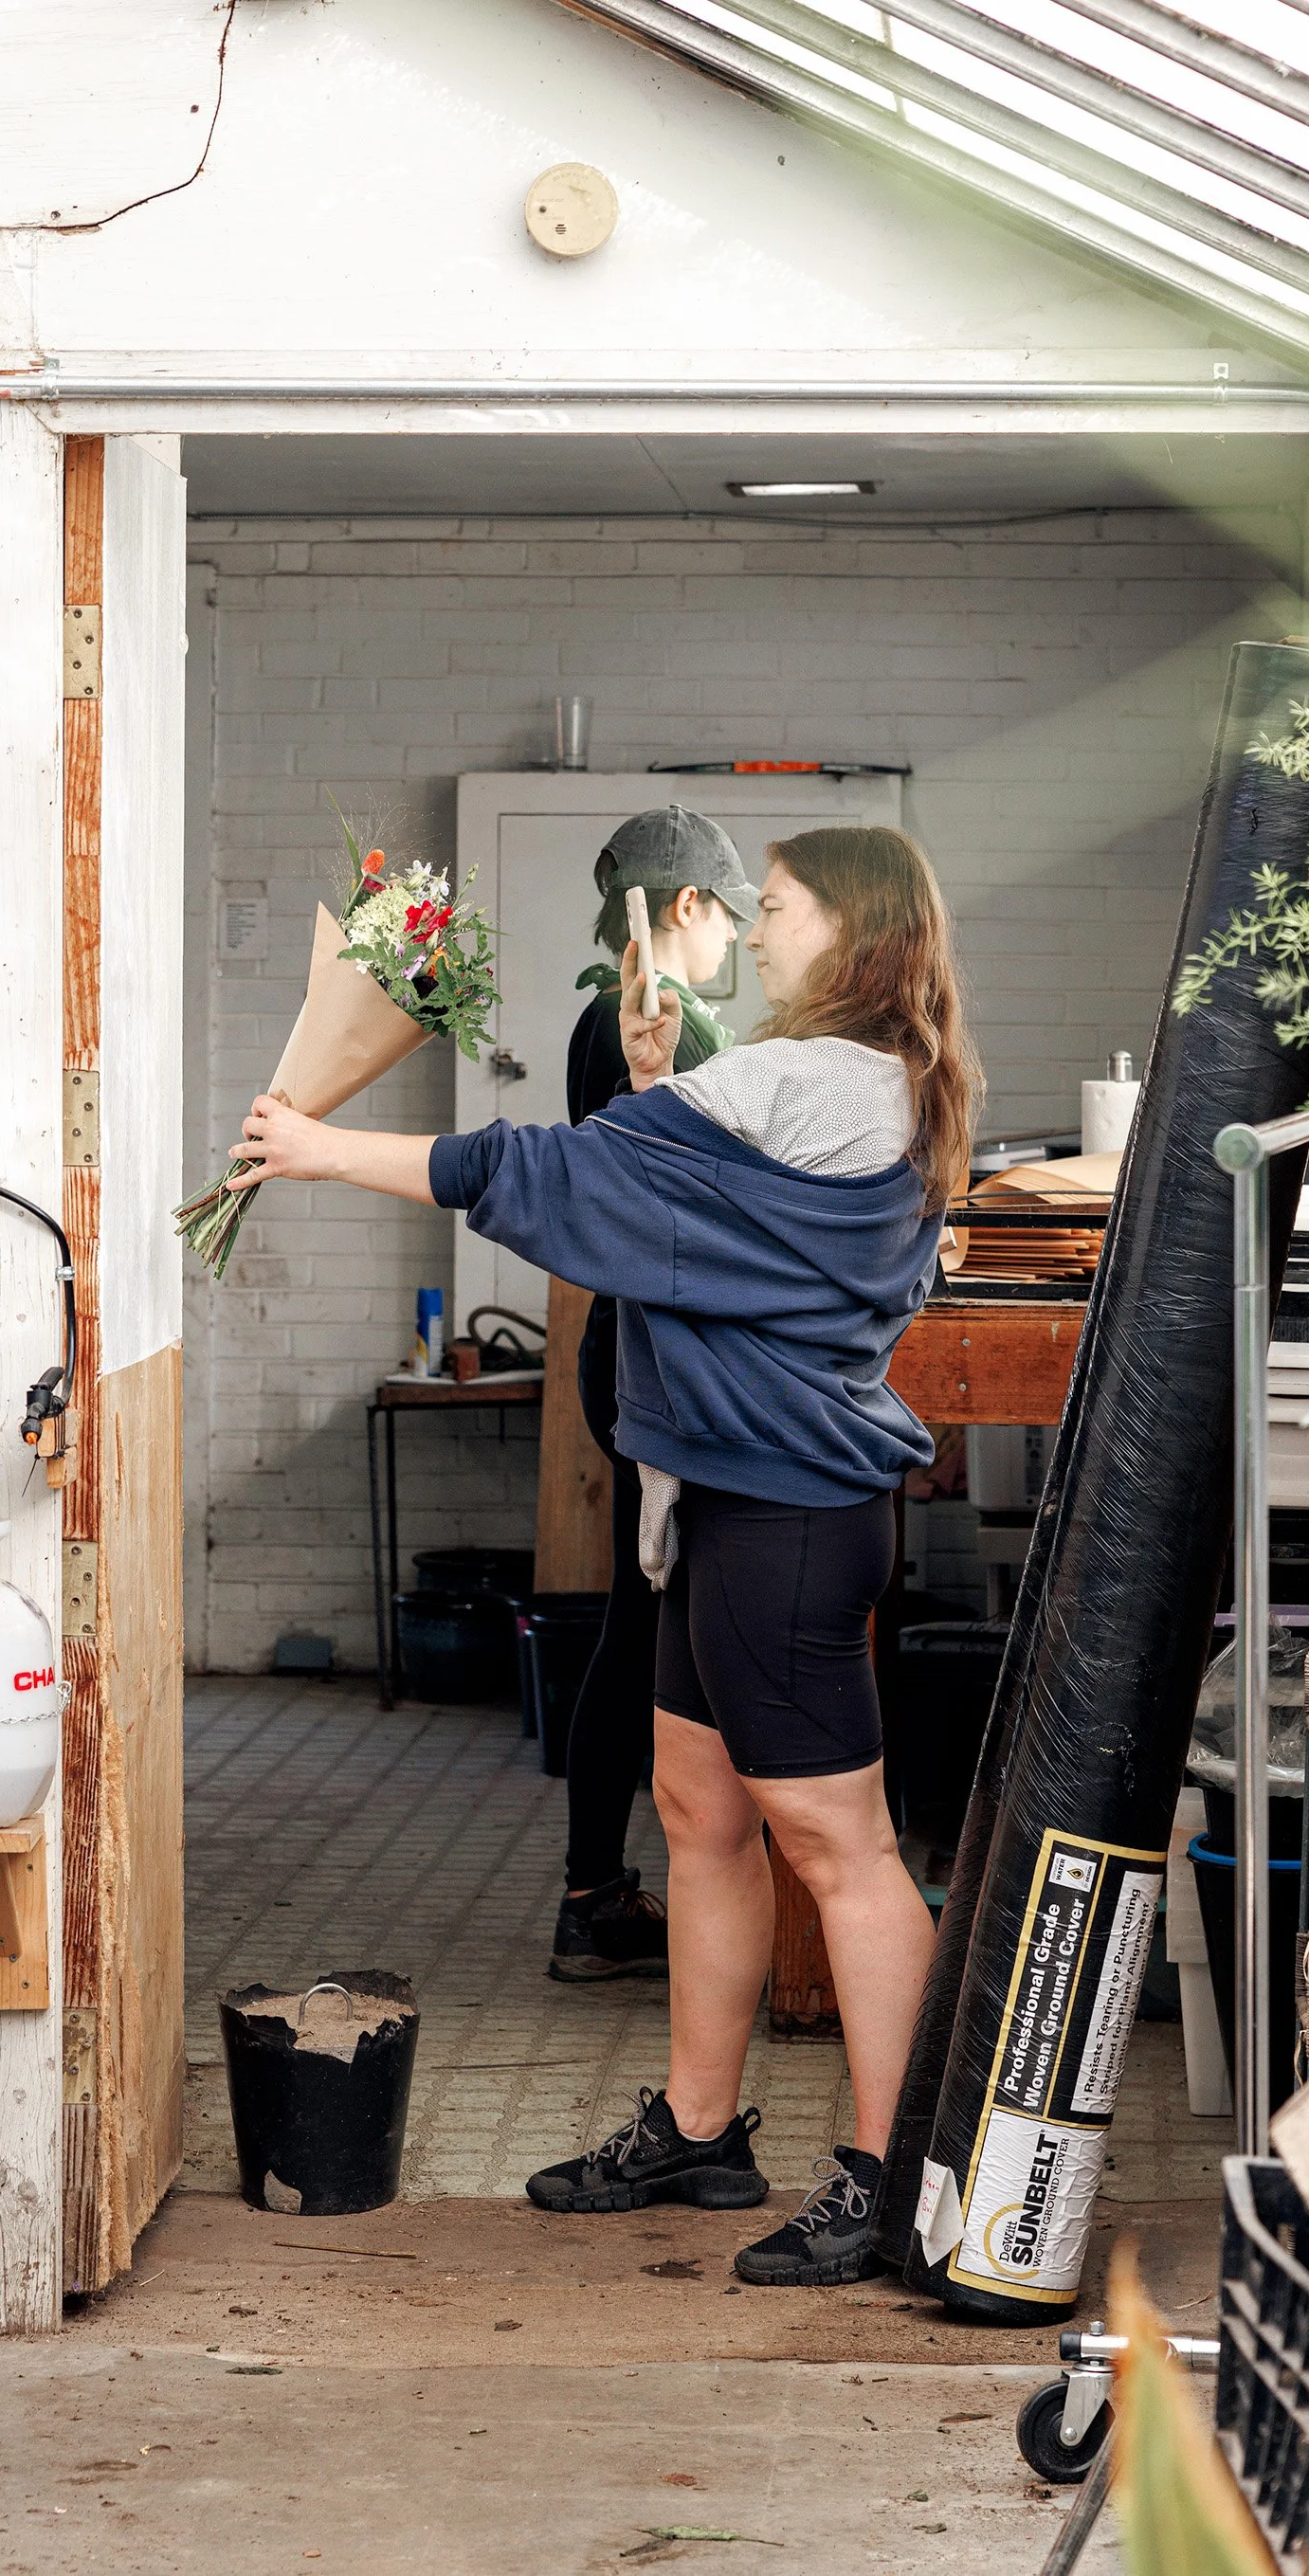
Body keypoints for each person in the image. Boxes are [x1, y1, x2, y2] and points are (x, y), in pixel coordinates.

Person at [232, 825, 980, 2288]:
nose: (758, 934)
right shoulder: (853, 1081)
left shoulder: (802, 1076)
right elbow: (710, 1220)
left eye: (778, 911)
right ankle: (702, 2129)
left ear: (856, 934)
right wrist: (655, 1084)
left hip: (784, 1513)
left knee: (842, 1846)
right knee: (700, 1808)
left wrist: (320, 1147)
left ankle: (891, 2176)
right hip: (725, 1500)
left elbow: (563, 1179)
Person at [552, 807, 757, 1985]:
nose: (734, 935)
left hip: (637, 1352)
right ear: (688, 906)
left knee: (641, 1632)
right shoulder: (643, 1021)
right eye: (730, 912)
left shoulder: (624, 1012)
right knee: (646, 1637)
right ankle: (603, 1897)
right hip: (657, 1361)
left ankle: (601, 1893)